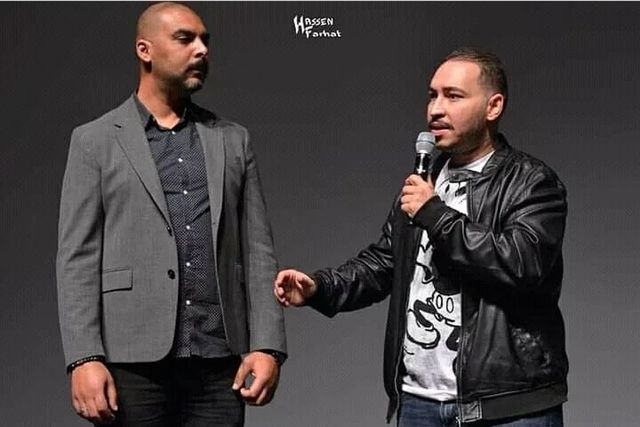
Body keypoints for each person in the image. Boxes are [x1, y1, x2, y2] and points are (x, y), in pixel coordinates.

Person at [274, 47, 568, 426]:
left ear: (493, 107)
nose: (436, 110)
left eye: (453, 96)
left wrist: (434, 214)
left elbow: (521, 264)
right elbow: (384, 263)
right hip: (419, 404)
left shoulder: (531, 182)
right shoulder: (425, 183)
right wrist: (320, 287)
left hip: (508, 407)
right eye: (432, 95)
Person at [56, 3, 286, 426]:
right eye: (185, 39)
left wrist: (268, 346)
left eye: (205, 41)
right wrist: (83, 357)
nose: (201, 50)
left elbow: (258, 252)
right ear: (144, 50)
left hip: (218, 365)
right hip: (131, 364)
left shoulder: (232, 140)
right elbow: (77, 259)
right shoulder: (94, 141)